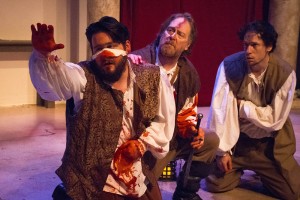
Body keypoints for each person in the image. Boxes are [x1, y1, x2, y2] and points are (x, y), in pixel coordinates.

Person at [29, 16, 176, 200]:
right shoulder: (84, 77)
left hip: (137, 176)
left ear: (127, 47)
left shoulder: (153, 77)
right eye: (99, 49)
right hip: (91, 184)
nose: (106, 54)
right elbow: (54, 84)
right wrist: (42, 57)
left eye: (112, 46)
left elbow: (165, 122)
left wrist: (142, 143)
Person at [128, 13, 220, 200]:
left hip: (169, 141)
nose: (173, 36)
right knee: (139, 193)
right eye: (170, 30)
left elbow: (187, 114)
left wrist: (192, 131)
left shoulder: (188, 74)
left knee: (210, 139)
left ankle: (185, 193)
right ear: (161, 33)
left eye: (180, 34)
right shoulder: (138, 61)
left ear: (187, 45)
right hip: (138, 144)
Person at [205, 20, 300, 200]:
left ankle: (265, 173)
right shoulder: (229, 66)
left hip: (267, 147)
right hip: (238, 143)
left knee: (293, 193)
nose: (248, 51)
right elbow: (220, 113)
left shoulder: (285, 73)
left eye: (254, 45)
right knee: (213, 184)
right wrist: (223, 151)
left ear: (269, 47)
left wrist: (242, 107)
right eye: (245, 45)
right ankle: (237, 168)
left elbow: (273, 120)